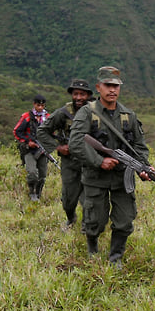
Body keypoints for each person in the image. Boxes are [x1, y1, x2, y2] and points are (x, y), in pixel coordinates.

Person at [68, 66, 150, 265]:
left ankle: (116, 258)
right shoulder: (87, 113)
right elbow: (76, 143)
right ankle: (92, 247)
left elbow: (139, 145)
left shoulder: (128, 115)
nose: (112, 90)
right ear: (98, 87)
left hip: (123, 177)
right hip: (96, 177)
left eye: (116, 86)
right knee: (95, 220)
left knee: (124, 220)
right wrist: (99, 161)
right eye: (108, 85)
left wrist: (144, 167)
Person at [40, 79, 93, 228]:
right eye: (76, 94)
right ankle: (71, 218)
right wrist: (58, 147)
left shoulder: (96, 112)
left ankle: (86, 225)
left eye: (82, 94)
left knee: (89, 196)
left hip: (90, 160)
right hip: (70, 162)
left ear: (88, 95)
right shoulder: (63, 113)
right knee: (69, 198)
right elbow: (42, 131)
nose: (79, 98)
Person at [13, 94, 52, 201]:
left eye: (42, 105)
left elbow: (51, 133)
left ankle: (38, 194)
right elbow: (16, 131)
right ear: (34, 104)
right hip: (29, 150)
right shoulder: (26, 116)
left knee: (42, 175)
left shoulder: (48, 117)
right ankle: (32, 192)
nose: (40, 108)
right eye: (38, 105)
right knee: (32, 172)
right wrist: (27, 141)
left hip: (42, 150)